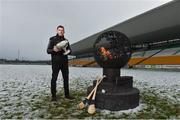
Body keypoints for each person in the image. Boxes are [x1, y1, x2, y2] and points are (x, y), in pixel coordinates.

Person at [47, 25, 74, 101]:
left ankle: (67, 94)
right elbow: (48, 50)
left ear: (64, 31)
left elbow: (70, 50)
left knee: (66, 78)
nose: (61, 31)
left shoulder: (66, 40)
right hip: (56, 62)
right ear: (57, 31)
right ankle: (53, 96)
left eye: (62, 30)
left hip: (64, 62)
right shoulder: (52, 39)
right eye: (59, 30)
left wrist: (68, 52)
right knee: (54, 79)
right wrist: (53, 50)